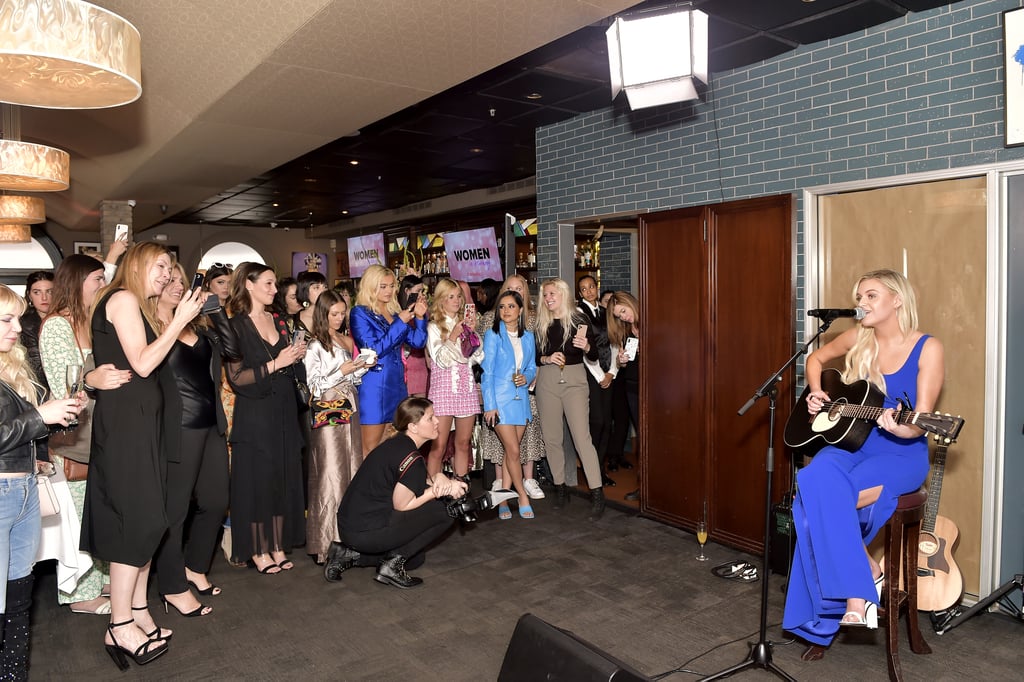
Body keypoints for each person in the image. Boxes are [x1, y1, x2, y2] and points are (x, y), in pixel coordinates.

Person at [782, 269, 943, 645]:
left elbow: (919, 423)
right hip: (855, 443)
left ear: (897, 300)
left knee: (816, 503)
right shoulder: (859, 337)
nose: (861, 303)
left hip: (901, 453)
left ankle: (853, 594)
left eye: (871, 296)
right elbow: (816, 359)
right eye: (859, 297)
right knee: (813, 477)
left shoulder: (927, 348)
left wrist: (898, 426)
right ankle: (868, 569)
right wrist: (817, 393)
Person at [82, 243, 204, 670]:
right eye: (160, 266)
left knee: (149, 517)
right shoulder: (123, 298)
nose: (167, 274)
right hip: (128, 427)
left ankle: (136, 611)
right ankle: (119, 624)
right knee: (135, 519)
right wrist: (180, 322)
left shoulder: (136, 304)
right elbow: (144, 363)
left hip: (143, 424)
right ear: (136, 265)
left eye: (170, 267)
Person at [0, 284, 83, 679]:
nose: (17, 327)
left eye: (17, 318)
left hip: (24, 491)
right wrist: (41, 417)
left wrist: (45, 440)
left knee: (18, 600)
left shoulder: (11, 369)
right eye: (6, 319)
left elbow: (17, 432)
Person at [38, 255, 122, 616]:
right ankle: (80, 595)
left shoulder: (92, 321)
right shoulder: (57, 326)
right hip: (75, 440)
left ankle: (102, 580)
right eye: (97, 279)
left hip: (103, 433)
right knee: (78, 515)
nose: (103, 285)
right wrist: (93, 381)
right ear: (76, 282)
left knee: (99, 511)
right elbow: (64, 386)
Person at [153, 263, 238, 616]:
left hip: (211, 425)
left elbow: (232, 349)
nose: (177, 286)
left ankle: (195, 566)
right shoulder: (150, 328)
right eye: (169, 280)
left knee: (217, 502)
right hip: (178, 429)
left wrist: (213, 309)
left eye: (182, 281)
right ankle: (172, 587)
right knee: (175, 511)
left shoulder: (197, 325)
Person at [329, 397, 467, 588]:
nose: (437, 421)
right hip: (366, 530)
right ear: (413, 427)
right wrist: (435, 493)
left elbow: (411, 483)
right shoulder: (412, 458)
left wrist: (440, 478)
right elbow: (402, 504)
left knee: (415, 559)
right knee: (449, 510)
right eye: (430, 418)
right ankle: (390, 567)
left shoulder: (398, 445)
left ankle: (349, 555)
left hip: (352, 526)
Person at [224, 263, 307, 575]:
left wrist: (295, 356)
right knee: (258, 482)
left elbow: (292, 367)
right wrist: (278, 362)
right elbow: (237, 378)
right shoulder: (236, 326)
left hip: (284, 409)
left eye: (275, 285)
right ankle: (258, 549)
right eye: (269, 284)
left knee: (282, 479)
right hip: (255, 412)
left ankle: (277, 544)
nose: (275, 291)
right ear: (249, 284)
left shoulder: (280, 321)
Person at [303, 291, 370, 563]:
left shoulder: (345, 338)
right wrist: (341, 372)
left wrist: (360, 368)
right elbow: (314, 385)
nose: (340, 318)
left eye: (343, 313)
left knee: (353, 466)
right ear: (323, 314)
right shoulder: (315, 345)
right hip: (330, 409)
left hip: (349, 406)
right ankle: (328, 543)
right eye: (335, 314)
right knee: (331, 471)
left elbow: (352, 378)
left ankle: (351, 537)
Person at [535, 278, 604, 519]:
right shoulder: (541, 322)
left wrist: (586, 346)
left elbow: (594, 355)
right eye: (545, 295)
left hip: (574, 379)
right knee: (552, 438)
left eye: (552, 294)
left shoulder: (579, 320)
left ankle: (597, 492)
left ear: (563, 294)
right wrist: (547, 358)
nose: (548, 298)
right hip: (547, 380)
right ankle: (560, 488)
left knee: (581, 438)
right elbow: (536, 357)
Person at [476, 274, 546, 500]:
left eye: (511, 306)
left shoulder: (527, 337)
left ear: (520, 309)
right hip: (500, 401)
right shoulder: (493, 334)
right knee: (514, 450)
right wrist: (490, 405)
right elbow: (487, 373)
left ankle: (503, 499)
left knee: (510, 452)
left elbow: (531, 368)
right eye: (502, 306)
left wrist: (526, 377)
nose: (506, 310)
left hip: (521, 401)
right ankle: (522, 497)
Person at [349, 265, 429, 456]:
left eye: (391, 286)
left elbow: (418, 341)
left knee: (394, 447)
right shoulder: (359, 313)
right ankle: (369, 486)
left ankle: (389, 486)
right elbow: (373, 350)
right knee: (370, 449)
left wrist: (419, 317)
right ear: (370, 287)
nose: (388, 291)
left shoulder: (394, 313)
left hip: (397, 385)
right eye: (382, 286)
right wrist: (400, 322)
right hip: (374, 386)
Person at [425, 278, 483, 479]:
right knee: (438, 445)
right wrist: (453, 336)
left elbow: (477, 357)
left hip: (465, 388)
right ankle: (432, 490)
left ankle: (460, 491)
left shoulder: (465, 325)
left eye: (459, 296)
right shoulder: (433, 327)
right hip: (443, 390)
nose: (457, 300)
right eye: (451, 296)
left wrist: (472, 332)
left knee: (463, 443)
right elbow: (440, 360)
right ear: (441, 300)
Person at [577, 276, 616, 488]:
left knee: (607, 423)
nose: (589, 291)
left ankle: (600, 468)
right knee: (597, 421)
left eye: (591, 287)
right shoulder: (579, 314)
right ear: (580, 293)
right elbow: (583, 348)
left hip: (609, 373)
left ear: (596, 288)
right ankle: (591, 467)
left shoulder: (606, 313)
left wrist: (611, 372)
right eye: (584, 289)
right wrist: (601, 375)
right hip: (590, 373)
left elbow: (615, 342)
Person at [606, 291, 642, 500]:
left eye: (623, 311)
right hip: (632, 386)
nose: (623, 317)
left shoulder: (651, 321)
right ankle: (645, 485)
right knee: (642, 436)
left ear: (630, 303)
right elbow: (625, 362)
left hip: (654, 388)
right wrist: (621, 360)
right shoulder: (627, 331)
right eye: (619, 316)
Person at [398, 275, 428, 398]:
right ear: (407, 291)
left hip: (421, 363)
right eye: (417, 291)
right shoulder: (398, 311)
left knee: (421, 408)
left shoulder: (424, 310)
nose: (421, 294)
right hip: (406, 365)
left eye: (422, 291)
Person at [19, 270, 53, 379]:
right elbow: (36, 369)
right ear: (29, 295)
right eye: (37, 292)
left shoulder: (68, 318)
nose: (44, 298)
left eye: (50, 291)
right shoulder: (25, 324)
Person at [294, 270, 328, 339]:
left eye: (325, 287)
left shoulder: (331, 316)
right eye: (316, 287)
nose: (323, 291)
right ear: (305, 291)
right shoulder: (293, 321)